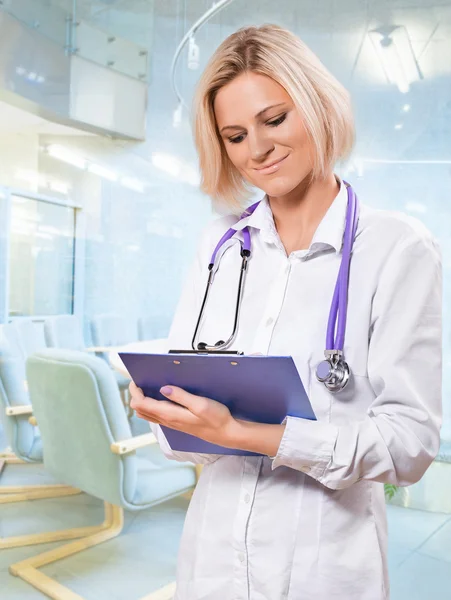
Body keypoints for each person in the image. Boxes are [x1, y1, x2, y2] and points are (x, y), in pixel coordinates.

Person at [130, 24, 442, 600]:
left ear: (318, 108)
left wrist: (249, 433)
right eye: (235, 135)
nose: (258, 149)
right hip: (213, 557)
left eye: (274, 119)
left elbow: (410, 443)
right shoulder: (220, 246)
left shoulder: (397, 247)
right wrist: (169, 410)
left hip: (324, 564)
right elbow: (180, 435)